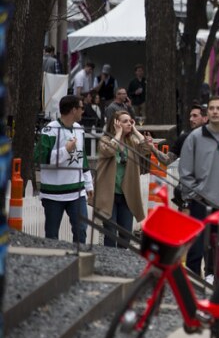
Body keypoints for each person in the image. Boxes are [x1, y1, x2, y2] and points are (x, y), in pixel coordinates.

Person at [178, 96, 219, 280]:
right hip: (200, 201)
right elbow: (185, 171)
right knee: (195, 251)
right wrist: (195, 194)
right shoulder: (194, 137)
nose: (215, 111)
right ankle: (193, 287)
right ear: (207, 112)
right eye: (211, 108)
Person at [34, 95, 93, 243]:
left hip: (77, 192)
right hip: (54, 194)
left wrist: (88, 183)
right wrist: (65, 150)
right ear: (73, 110)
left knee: (81, 231)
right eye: (81, 108)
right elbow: (40, 158)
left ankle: (78, 262)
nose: (83, 111)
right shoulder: (50, 130)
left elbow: (82, 158)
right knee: (52, 236)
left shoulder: (79, 129)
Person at [95, 110, 152, 248]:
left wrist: (135, 130)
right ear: (116, 123)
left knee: (125, 233)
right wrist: (118, 133)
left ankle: (121, 263)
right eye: (125, 121)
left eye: (130, 121)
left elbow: (146, 149)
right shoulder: (106, 140)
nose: (129, 123)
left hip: (127, 195)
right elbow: (109, 150)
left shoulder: (131, 142)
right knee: (110, 231)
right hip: (110, 194)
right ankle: (109, 262)